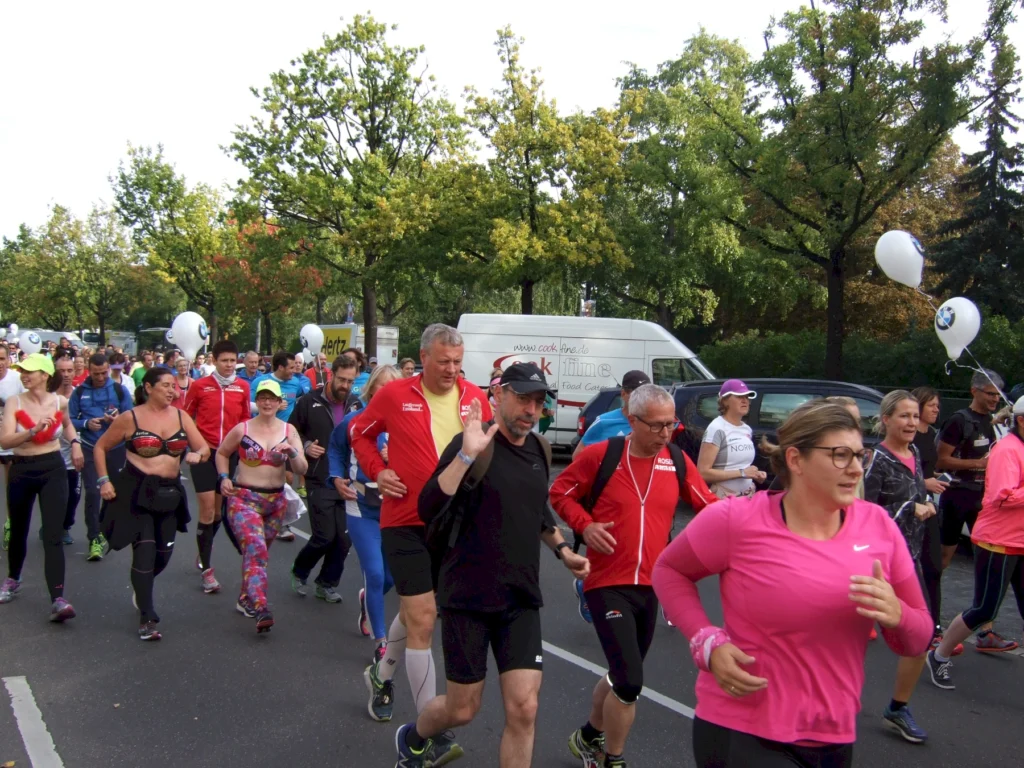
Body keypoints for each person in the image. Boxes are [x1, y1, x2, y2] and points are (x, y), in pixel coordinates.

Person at [651, 400, 933, 768]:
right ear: (796, 460)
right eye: (839, 455)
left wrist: (897, 615)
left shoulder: (878, 526)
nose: (854, 470)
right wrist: (706, 639)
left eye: (859, 456)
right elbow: (669, 570)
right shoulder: (737, 520)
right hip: (740, 727)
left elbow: (917, 638)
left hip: (833, 733)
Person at [394, 363, 590, 767]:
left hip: (520, 598)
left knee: (525, 708)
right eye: (523, 398)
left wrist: (562, 548)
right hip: (468, 598)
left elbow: (536, 511)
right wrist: (467, 453)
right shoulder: (471, 444)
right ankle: (413, 735)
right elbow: (428, 506)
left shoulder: (539, 449)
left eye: (538, 401)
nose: (531, 409)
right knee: (463, 709)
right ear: (498, 395)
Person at [551, 385, 716, 768]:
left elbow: (709, 507)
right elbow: (560, 492)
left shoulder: (676, 461)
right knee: (629, 681)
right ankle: (614, 758)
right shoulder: (602, 457)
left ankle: (587, 735)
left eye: (670, 424)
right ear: (632, 421)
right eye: (656, 426)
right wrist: (586, 525)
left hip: (652, 584)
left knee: (621, 674)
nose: (665, 433)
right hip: (606, 582)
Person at [353, 323, 490, 762]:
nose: (452, 370)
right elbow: (360, 432)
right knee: (424, 618)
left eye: (458, 362)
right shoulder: (395, 395)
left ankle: (381, 672)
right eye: (443, 361)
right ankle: (431, 728)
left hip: (453, 526)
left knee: (416, 613)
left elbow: (485, 454)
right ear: (424, 356)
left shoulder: (474, 397)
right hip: (405, 520)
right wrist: (377, 470)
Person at [95, 368, 209, 640]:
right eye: (166, 386)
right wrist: (104, 481)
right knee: (144, 553)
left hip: (169, 494)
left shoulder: (181, 416)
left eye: (174, 386)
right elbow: (100, 447)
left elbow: (203, 447)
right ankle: (147, 617)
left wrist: (198, 455)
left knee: (163, 555)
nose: (172, 391)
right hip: (137, 493)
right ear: (148, 387)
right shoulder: (130, 418)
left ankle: (142, 586)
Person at [928, 394, 1024, 690]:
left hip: (1020, 541)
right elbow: (1003, 497)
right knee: (984, 608)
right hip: (998, 541)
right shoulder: (1007, 450)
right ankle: (940, 656)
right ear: (1021, 421)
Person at [862, 391, 937, 743]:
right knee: (839, 635)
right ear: (886, 419)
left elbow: (914, 493)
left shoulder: (916, 453)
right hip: (873, 562)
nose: (911, 423)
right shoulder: (876, 460)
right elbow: (863, 515)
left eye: (914, 416)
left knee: (920, 636)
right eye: (903, 416)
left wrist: (923, 501)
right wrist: (911, 509)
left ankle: (897, 708)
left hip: (909, 560)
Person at [934, 369, 1017, 650]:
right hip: (957, 496)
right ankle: (928, 612)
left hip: (984, 500)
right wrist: (979, 465)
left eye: (997, 393)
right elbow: (942, 461)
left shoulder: (992, 423)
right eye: (990, 393)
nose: (995, 398)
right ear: (974, 391)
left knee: (986, 568)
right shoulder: (958, 420)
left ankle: (986, 631)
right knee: (944, 557)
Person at [328, 365, 401, 681]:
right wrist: (336, 478)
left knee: (390, 577)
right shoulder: (354, 421)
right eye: (380, 388)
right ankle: (381, 641)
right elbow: (335, 449)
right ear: (372, 390)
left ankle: (366, 601)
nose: (386, 393)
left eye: (392, 388)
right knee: (373, 572)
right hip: (361, 507)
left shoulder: (409, 423)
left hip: (396, 510)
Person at [217, 380, 307, 631]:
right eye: (263, 398)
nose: (267, 403)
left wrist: (291, 453)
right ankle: (260, 606)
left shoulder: (289, 430)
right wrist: (224, 477)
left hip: (275, 502)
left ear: (280, 402)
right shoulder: (243, 428)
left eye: (272, 398)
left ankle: (245, 597)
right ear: (257, 401)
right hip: (244, 499)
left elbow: (302, 469)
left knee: (259, 554)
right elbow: (222, 452)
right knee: (256, 551)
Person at [0, 354, 85, 620]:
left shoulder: (59, 401)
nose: (24, 375)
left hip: (53, 469)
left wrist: (75, 443)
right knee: (19, 529)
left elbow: (68, 425)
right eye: (22, 371)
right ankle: (13, 578)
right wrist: (32, 430)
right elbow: (4, 441)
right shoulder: (15, 402)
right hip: (22, 469)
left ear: (45, 375)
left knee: (53, 534)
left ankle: (58, 598)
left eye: (30, 371)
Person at [288, 355, 360, 602]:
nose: (345, 386)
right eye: (342, 379)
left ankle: (326, 583)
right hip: (319, 476)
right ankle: (300, 570)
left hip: (347, 480)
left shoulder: (355, 404)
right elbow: (291, 430)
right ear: (331, 374)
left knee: (344, 540)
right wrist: (305, 445)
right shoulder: (309, 401)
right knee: (324, 536)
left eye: (351, 381)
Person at [183, 340, 251, 594]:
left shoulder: (242, 387)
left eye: (233, 360)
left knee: (221, 513)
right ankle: (207, 569)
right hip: (204, 453)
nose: (229, 365)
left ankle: (203, 549)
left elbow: (245, 420)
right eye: (224, 360)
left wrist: (245, 451)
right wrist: (192, 446)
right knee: (208, 511)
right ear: (214, 360)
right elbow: (185, 417)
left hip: (229, 454)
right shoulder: (200, 386)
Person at [68, 352, 134, 561]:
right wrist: (86, 423)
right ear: (89, 370)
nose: (100, 377)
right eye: (96, 373)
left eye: (104, 373)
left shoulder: (118, 389)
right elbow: (69, 420)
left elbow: (130, 417)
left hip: (115, 448)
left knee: (113, 492)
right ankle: (94, 537)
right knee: (93, 493)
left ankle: (107, 528)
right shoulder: (79, 392)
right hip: (89, 446)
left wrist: (116, 420)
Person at [911, 386, 952, 648]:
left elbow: (928, 468)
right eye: (932, 405)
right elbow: (904, 475)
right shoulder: (910, 436)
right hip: (910, 507)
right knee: (905, 568)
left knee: (934, 567)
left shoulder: (932, 435)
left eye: (938, 405)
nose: (937, 409)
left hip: (929, 506)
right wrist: (925, 483)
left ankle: (934, 625)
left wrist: (935, 481)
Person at [698, 379, 767, 499]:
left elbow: (743, 467)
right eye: (739, 396)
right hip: (723, 497)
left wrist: (755, 474)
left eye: (747, 396)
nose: (745, 400)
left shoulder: (747, 429)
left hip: (747, 496)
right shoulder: (717, 428)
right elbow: (702, 473)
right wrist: (742, 473)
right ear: (725, 401)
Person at [571, 371, 652, 460]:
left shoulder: (654, 423)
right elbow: (578, 457)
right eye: (637, 395)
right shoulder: (603, 422)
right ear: (623, 394)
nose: (643, 399)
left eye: (647, 394)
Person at [49, 355, 80, 545]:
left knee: (73, 497)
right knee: (53, 497)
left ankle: (65, 527)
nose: (66, 375)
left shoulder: (79, 394)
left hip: (74, 456)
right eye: (62, 371)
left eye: (70, 370)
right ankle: (52, 526)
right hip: (52, 456)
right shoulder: (47, 397)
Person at [1, 342, 26, 551]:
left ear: (9, 360)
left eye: (2, 359)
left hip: (8, 440)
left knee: (10, 485)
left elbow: (25, 405)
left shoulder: (16, 380)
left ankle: (10, 522)